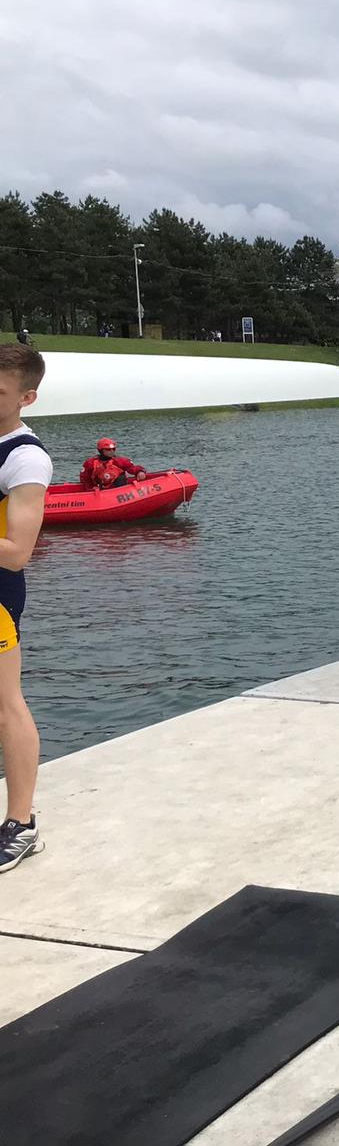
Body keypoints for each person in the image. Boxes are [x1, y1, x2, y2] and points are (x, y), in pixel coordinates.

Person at [0, 342, 51, 875]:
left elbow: (17, 553)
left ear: (26, 398)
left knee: (5, 704)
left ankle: (21, 824)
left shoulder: (25, 458)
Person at [79, 438, 147, 489]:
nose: (111, 451)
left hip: (118, 489)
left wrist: (140, 471)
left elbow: (132, 468)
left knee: (121, 478)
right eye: (108, 449)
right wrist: (91, 488)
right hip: (99, 489)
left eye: (113, 449)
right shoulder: (90, 463)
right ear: (101, 450)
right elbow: (85, 478)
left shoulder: (120, 461)